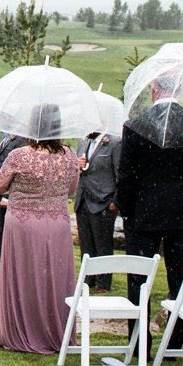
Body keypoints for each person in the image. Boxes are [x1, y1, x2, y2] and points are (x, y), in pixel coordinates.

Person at [115, 73, 183, 352]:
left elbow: (126, 175)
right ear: (179, 90)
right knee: (181, 280)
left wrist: (125, 210)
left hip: (143, 215)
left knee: (139, 281)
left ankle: (139, 344)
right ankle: (175, 343)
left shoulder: (135, 125)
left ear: (153, 90)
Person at [0, 117, 81, 352]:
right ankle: (54, 330)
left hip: (23, 224)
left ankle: (23, 330)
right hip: (57, 223)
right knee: (55, 277)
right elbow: (71, 189)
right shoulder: (69, 155)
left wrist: (21, 186)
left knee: (25, 276)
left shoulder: (20, 155)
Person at [74, 117, 120, 292]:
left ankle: (103, 283)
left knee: (103, 244)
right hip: (83, 199)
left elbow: (120, 174)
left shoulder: (114, 142)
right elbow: (80, 170)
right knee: (86, 244)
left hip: (103, 201)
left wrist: (115, 202)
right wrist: (78, 166)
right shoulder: (83, 142)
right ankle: (88, 279)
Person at [0, 129, 25, 263]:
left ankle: (11, 273)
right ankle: (2, 272)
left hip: (8, 196)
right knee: (0, 235)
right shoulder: (6, 134)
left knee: (10, 238)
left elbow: (19, 169)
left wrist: (7, 198)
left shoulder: (22, 138)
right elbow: (3, 161)